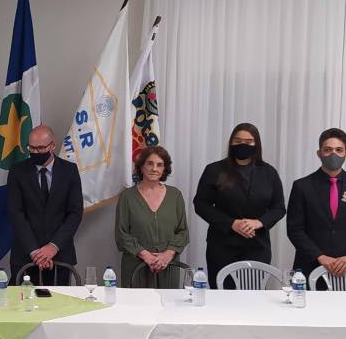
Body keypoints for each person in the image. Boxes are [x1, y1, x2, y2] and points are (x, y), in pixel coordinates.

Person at [193, 123, 285, 289]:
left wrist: (258, 222)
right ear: (231, 143)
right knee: (223, 297)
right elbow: (200, 204)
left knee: (253, 297)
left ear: (256, 144)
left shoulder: (269, 172)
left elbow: (279, 208)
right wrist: (231, 223)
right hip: (222, 246)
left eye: (248, 142)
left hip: (258, 246)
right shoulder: (215, 169)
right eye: (238, 141)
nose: (243, 145)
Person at [286, 128, 346, 284]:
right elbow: (295, 229)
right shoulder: (302, 186)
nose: (333, 154)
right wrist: (320, 256)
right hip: (310, 266)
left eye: (339, 150)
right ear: (319, 153)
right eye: (327, 150)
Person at [6, 125, 83, 285]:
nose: (35, 152)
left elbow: (74, 213)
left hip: (60, 255)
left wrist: (53, 247)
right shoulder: (17, 171)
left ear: (52, 146)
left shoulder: (69, 171)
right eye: (31, 148)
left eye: (40, 148)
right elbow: (16, 213)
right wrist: (36, 252)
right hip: (25, 255)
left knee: (59, 300)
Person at [115, 146, 189, 288]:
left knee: (169, 302)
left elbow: (183, 232)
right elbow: (121, 234)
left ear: (164, 169)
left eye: (159, 165)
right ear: (141, 167)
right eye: (150, 163)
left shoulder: (175, 195)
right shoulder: (127, 197)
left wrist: (167, 255)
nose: (154, 169)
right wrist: (146, 256)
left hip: (167, 266)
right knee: (136, 302)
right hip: (136, 267)